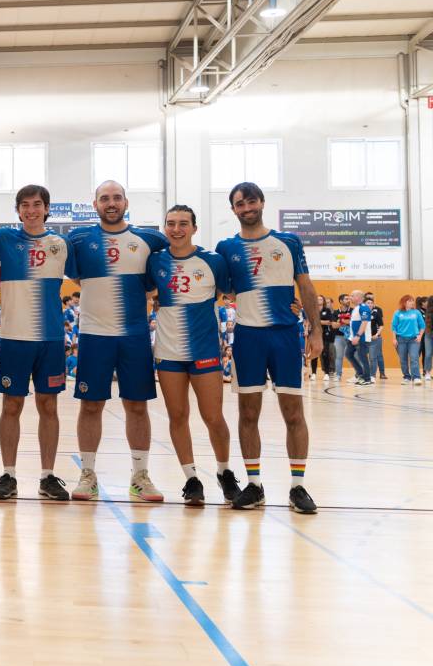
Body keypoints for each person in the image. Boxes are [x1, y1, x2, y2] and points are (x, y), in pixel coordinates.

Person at [217, 182, 320, 514]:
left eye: (251, 201)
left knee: (294, 413)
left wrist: (314, 329)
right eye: (239, 204)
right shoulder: (225, 247)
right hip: (247, 337)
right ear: (233, 209)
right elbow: (220, 289)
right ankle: (255, 484)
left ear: (261, 202)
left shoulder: (288, 241)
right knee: (248, 414)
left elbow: (305, 285)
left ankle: (298, 486)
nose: (246, 208)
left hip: (285, 336)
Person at [67, 181, 168, 502]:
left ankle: (140, 476)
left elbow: (166, 276)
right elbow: (77, 276)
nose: (111, 203)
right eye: (104, 198)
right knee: (91, 404)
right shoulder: (79, 239)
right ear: (95, 204)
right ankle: (88, 474)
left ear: (126, 202)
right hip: (94, 335)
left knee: (137, 406)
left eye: (116, 198)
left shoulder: (150, 239)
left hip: (134, 336)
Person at [148, 205, 240, 505]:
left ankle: (225, 472)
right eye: (171, 223)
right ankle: (191, 479)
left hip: (204, 349)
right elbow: (141, 291)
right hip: (168, 350)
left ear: (194, 228)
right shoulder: (155, 262)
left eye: (183, 223)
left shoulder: (213, 260)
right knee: (177, 416)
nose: (176, 229)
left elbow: (237, 293)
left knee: (213, 416)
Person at [0, 185, 72, 501]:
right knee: (12, 405)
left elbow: (86, 275)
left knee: (49, 406)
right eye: (25, 205)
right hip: (13, 337)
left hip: (49, 339)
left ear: (47, 209)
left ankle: (47, 477)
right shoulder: (3, 239)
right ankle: (8, 475)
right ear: (18, 210)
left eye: (37, 204)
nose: (31, 210)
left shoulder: (61, 244)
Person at [391, 295, 425, 385]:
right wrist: (394, 339)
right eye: (409, 301)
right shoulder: (397, 313)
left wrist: (420, 336)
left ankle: (416, 377)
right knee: (403, 359)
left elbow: (422, 325)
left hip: (414, 340)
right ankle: (406, 377)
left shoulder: (416, 312)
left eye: (412, 301)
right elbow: (394, 327)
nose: (412, 302)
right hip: (400, 339)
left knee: (414, 358)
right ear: (404, 302)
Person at [345, 290, 372, 385]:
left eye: (352, 296)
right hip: (353, 337)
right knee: (348, 354)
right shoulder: (356, 308)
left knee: (363, 357)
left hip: (362, 338)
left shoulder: (364, 308)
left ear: (358, 297)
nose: (350, 297)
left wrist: (358, 336)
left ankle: (367, 378)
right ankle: (360, 373)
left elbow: (364, 323)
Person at [364, 293, 386, 381]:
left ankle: (373, 375)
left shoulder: (376, 313)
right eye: (368, 303)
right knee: (362, 357)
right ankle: (362, 374)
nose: (369, 304)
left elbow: (381, 325)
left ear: (373, 304)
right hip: (363, 339)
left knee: (373, 357)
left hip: (374, 339)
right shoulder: (361, 313)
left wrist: (376, 335)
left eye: (371, 303)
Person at [317, 295, 337, 381]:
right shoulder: (314, 310)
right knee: (321, 353)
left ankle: (331, 370)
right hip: (317, 334)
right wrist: (322, 322)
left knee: (330, 353)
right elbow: (311, 321)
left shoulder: (329, 311)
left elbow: (329, 322)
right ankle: (325, 369)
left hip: (329, 334)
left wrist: (318, 321)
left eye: (321, 299)